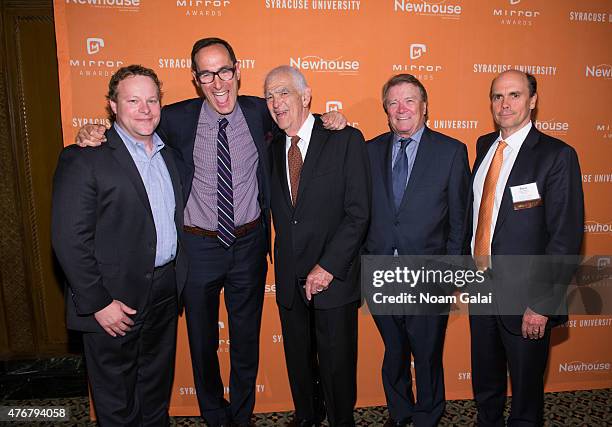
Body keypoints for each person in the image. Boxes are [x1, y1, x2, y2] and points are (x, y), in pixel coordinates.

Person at [76, 38, 345, 427]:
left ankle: (241, 414)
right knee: (201, 342)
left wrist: (329, 121)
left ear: (237, 71)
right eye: (206, 74)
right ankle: (214, 416)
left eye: (224, 71)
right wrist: (94, 129)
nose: (218, 83)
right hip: (198, 246)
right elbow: (132, 124)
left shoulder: (259, 111)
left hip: (249, 242)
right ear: (196, 79)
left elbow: (299, 119)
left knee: (245, 339)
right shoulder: (176, 118)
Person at [52, 65, 187, 426]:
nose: (145, 109)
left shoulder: (169, 156)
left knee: (155, 391)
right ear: (113, 106)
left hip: (163, 290)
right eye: (133, 100)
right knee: (116, 402)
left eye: (152, 100)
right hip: (112, 299)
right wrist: (98, 303)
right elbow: (68, 240)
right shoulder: (84, 157)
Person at [465, 70, 584, 426]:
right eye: (497, 96)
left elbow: (564, 237)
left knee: (526, 398)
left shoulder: (556, 155)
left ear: (532, 101)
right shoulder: (485, 146)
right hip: (482, 288)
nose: (505, 104)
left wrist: (543, 303)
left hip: (527, 300)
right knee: (486, 386)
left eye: (514, 95)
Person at [264, 65, 371, 427]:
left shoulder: (345, 139)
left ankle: (341, 421)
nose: (276, 103)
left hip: (334, 276)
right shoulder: (271, 146)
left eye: (284, 93)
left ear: (306, 96)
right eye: (269, 96)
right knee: (298, 360)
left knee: (337, 364)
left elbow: (358, 214)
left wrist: (327, 267)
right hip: (290, 276)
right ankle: (307, 416)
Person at [365, 74, 470, 427]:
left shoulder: (451, 151)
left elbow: (460, 218)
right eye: (393, 103)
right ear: (386, 111)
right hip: (381, 272)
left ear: (425, 107)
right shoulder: (369, 150)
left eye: (410, 101)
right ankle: (400, 412)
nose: (401, 109)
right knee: (394, 352)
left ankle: (428, 415)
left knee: (426, 356)